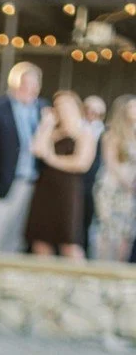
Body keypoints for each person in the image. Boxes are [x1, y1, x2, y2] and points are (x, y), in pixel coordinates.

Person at [0, 62, 47, 253]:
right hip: (3, 178)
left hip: (31, 179)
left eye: (34, 85)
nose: (29, 89)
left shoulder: (43, 109)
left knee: (17, 232)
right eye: (25, 84)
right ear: (15, 83)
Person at [26, 91, 96, 258]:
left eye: (66, 104)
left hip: (68, 189)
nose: (62, 109)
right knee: (41, 241)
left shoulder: (85, 132)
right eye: (58, 106)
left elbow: (81, 163)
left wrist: (52, 160)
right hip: (46, 187)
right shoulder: (53, 131)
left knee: (69, 242)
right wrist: (46, 124)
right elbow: (37, 149)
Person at [95, 95, 136, 262]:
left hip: (130, 192)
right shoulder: (112, 134)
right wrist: (128, 184)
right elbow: (110, 163)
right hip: (112, 188)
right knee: (108, 232)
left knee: (126, 233)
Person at [83, 96, 107, 257]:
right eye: (90, 111)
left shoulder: (106, 133)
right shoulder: (76, 129)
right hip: (79, 185)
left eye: (98, 113)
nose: (93, 115)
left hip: (100, 187)